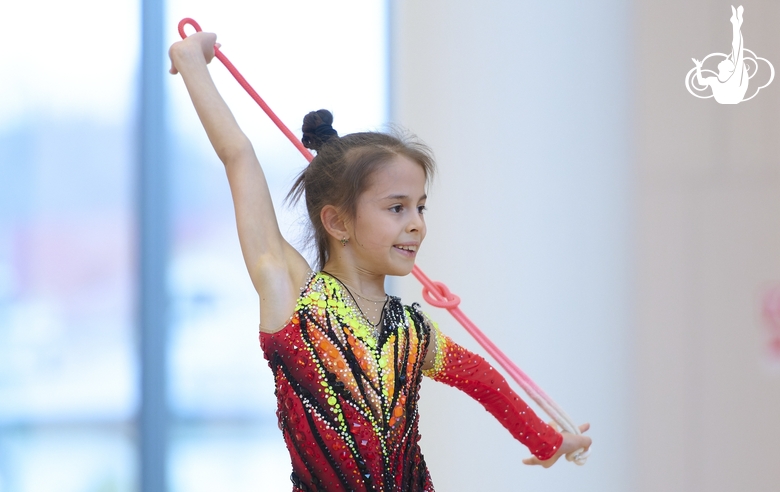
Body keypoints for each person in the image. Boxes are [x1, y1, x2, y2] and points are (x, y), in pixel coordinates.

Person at [168, 31, 591, 492]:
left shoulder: (413, 330)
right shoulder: (290, 292)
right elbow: (238, 157)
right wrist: (192, 62)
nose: (416, 225)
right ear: (337, 221)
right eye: (396, 208)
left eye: (420, 207)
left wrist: (546, 440)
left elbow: (484, 381)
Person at [692, 5, 748, 104]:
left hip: (732, 97)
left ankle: (736, 23)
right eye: (728, 61)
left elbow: (737, 49)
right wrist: (698, 67)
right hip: (730, 98)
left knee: (737, 50)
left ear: (729, 69)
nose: (724, 59)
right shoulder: (716, 80)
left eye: (727, 61)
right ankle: (736, 23)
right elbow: (701, 82)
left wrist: (698, 68)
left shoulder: (732, 78)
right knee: (737, 51)